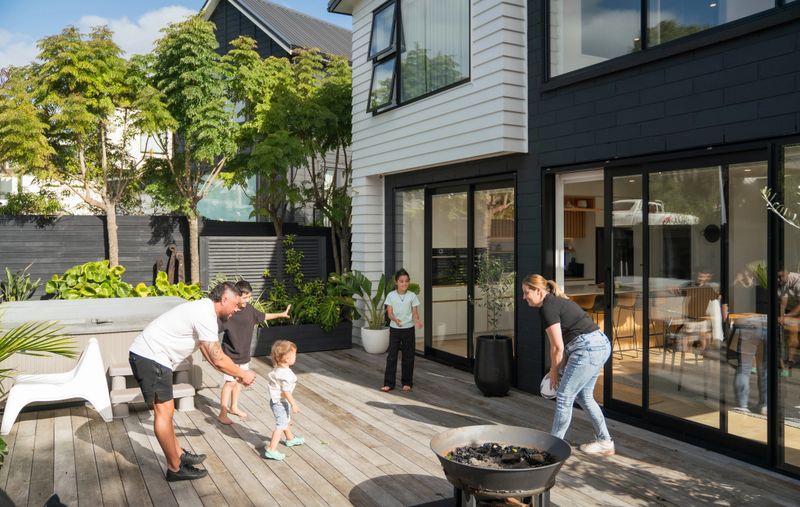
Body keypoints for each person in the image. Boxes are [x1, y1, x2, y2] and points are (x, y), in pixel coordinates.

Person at [128, 281, 256, 481]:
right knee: (164, 412)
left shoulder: (205, 311)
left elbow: (210, 354)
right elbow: (217, 357)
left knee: (167, 411)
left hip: (155, 358)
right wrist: (243, 374)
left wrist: (237, 373)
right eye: (235, 304)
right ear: (224, 299)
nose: (237, 309)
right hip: (150, 357)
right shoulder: (205, 314)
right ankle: (175, 468)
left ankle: (178, 454)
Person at [522, 274, 614, 455]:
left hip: (587, 349)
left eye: (526, 293)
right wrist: (557, 369)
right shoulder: (555, 302)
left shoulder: (548, 308)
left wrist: (554, 370)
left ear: (538, 291)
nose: (524, 297)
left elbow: (557, 347)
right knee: (584, 396)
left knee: (564, 396)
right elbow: (563, 348)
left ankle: (551, 450)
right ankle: (605, 442)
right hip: (599, 345)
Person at [218, 280, 291, 425]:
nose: (247, 300)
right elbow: (215, 328)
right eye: (245, 297)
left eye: (249, 297)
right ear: (236, 296)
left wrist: (281, 314)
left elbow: (263, 316)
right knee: (229, 383)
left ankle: (234, 407)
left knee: (239, 381)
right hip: (230, 355)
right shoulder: (229, 312)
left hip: (244, 354)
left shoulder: (250, 310)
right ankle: (222, 413)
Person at [381, 268, 423, 393]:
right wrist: (395, 320)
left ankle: (407, 382)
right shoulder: (391, 296)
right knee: (392, 357)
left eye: (406, 281)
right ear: (396, 282)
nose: (404, 284)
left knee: (408, 357)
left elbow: (414, 313)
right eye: (401, 281)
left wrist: (417, 321)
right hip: (395, 330)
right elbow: (389, 314)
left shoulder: (412, 296)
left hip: (409, 330)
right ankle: (389, 383)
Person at [263, 340, 304, 461]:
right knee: (280, 425)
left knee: (285, 420)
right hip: (280, 402)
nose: (295, 357)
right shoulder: (286, 374)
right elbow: (286, 391)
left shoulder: (278, 369)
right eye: (294, 355)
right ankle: (271, 449)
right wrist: (294, 404)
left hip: (276, 401)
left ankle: (290, 439)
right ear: (286, 358)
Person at [778, 269, 800, 369]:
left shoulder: (798, 282)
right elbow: (783, 302)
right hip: (794, 312)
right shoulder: (785, 282)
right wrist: (781, 317)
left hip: (796, 311)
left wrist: (787, 316)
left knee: (793, 327)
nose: (779, 279)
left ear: (787, 272)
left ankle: (790, 359)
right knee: (792, 328)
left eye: (781, 276)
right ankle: (790, 359)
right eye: (778, 277)